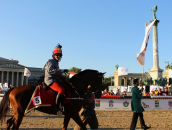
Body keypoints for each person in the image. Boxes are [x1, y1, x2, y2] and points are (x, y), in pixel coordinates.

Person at [44, 44, 69, 113]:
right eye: (57, 55)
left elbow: (57, 74)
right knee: (61, 90)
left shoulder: (56, 63)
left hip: (55, 80)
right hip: (50, 80)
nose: (59, 56)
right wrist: (62, 70)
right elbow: (51, 71)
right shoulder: (51, 61)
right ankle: (56, 107)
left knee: (66, 88)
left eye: (60, 55)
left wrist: (64, 77)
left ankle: (62, 105)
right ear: (53, 55)